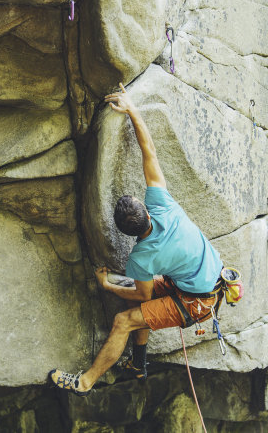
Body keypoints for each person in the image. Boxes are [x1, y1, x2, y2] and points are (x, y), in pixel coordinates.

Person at [49, 83, 223, 396]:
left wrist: (106, 286)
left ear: (126, 232)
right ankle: (138, 364)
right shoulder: (163, 205)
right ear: (144, 208)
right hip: (200, 281)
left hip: (195, 301)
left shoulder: (140, 258)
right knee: (141, 295)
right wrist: (132, 108)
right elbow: (150, 151)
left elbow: (142, 299)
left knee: (124, 320)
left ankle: (86, 382)